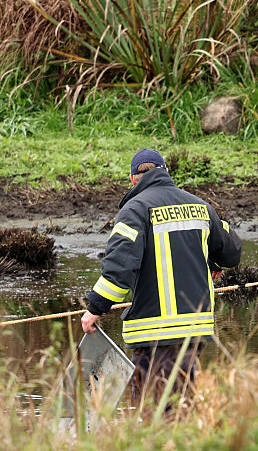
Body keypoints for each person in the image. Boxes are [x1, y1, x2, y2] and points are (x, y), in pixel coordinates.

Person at [81, 148, 242, 409]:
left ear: (133, 179)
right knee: (180, 403)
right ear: (166, 172)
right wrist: (212, 261)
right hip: (195, 330)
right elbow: (232, 252)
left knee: (151, 407)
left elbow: (120, 269)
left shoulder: (134, 210)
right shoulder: (200, 207)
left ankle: (165, 448)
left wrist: (95, 308)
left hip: (155, 333)